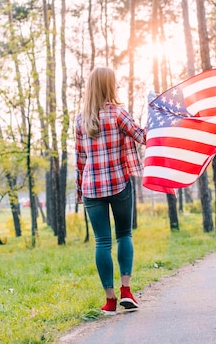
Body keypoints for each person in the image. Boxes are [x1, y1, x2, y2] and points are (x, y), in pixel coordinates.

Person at [75, 67, 147, 315]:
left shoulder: (81, 119)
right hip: (118, 183)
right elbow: (143, 137)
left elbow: (80, 159)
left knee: (102, 242)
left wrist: (78, 189)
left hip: (91, 188)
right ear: (110, 85)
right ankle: (126, 290)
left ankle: (110, 301)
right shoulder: (118, 113)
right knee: (124, 235)